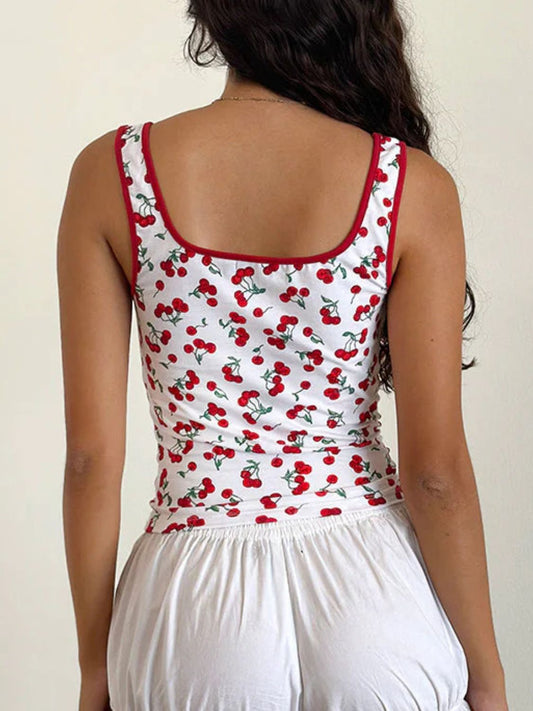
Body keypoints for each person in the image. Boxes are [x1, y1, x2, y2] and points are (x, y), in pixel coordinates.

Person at [57, 2, 508, 710]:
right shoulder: (407, 183)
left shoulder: (113, 172)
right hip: (373, 593)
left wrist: (95, 665)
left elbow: (90, 460)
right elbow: (435, 473)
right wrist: (486, 675)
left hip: (192, 598)